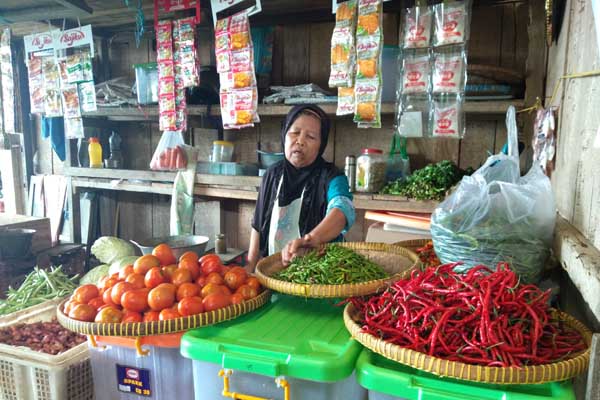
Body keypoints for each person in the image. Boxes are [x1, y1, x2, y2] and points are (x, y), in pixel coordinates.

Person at [246, 104, 355, 271]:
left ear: (321, 145)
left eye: (311, 137)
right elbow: (258, 225)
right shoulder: (272, 174)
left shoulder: (332, 176)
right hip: (274, 274)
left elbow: (342, 209)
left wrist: (311, 240)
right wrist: (251, 268)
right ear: (284, 135)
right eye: (295, 133)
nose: (300, 141)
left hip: (318, 276)